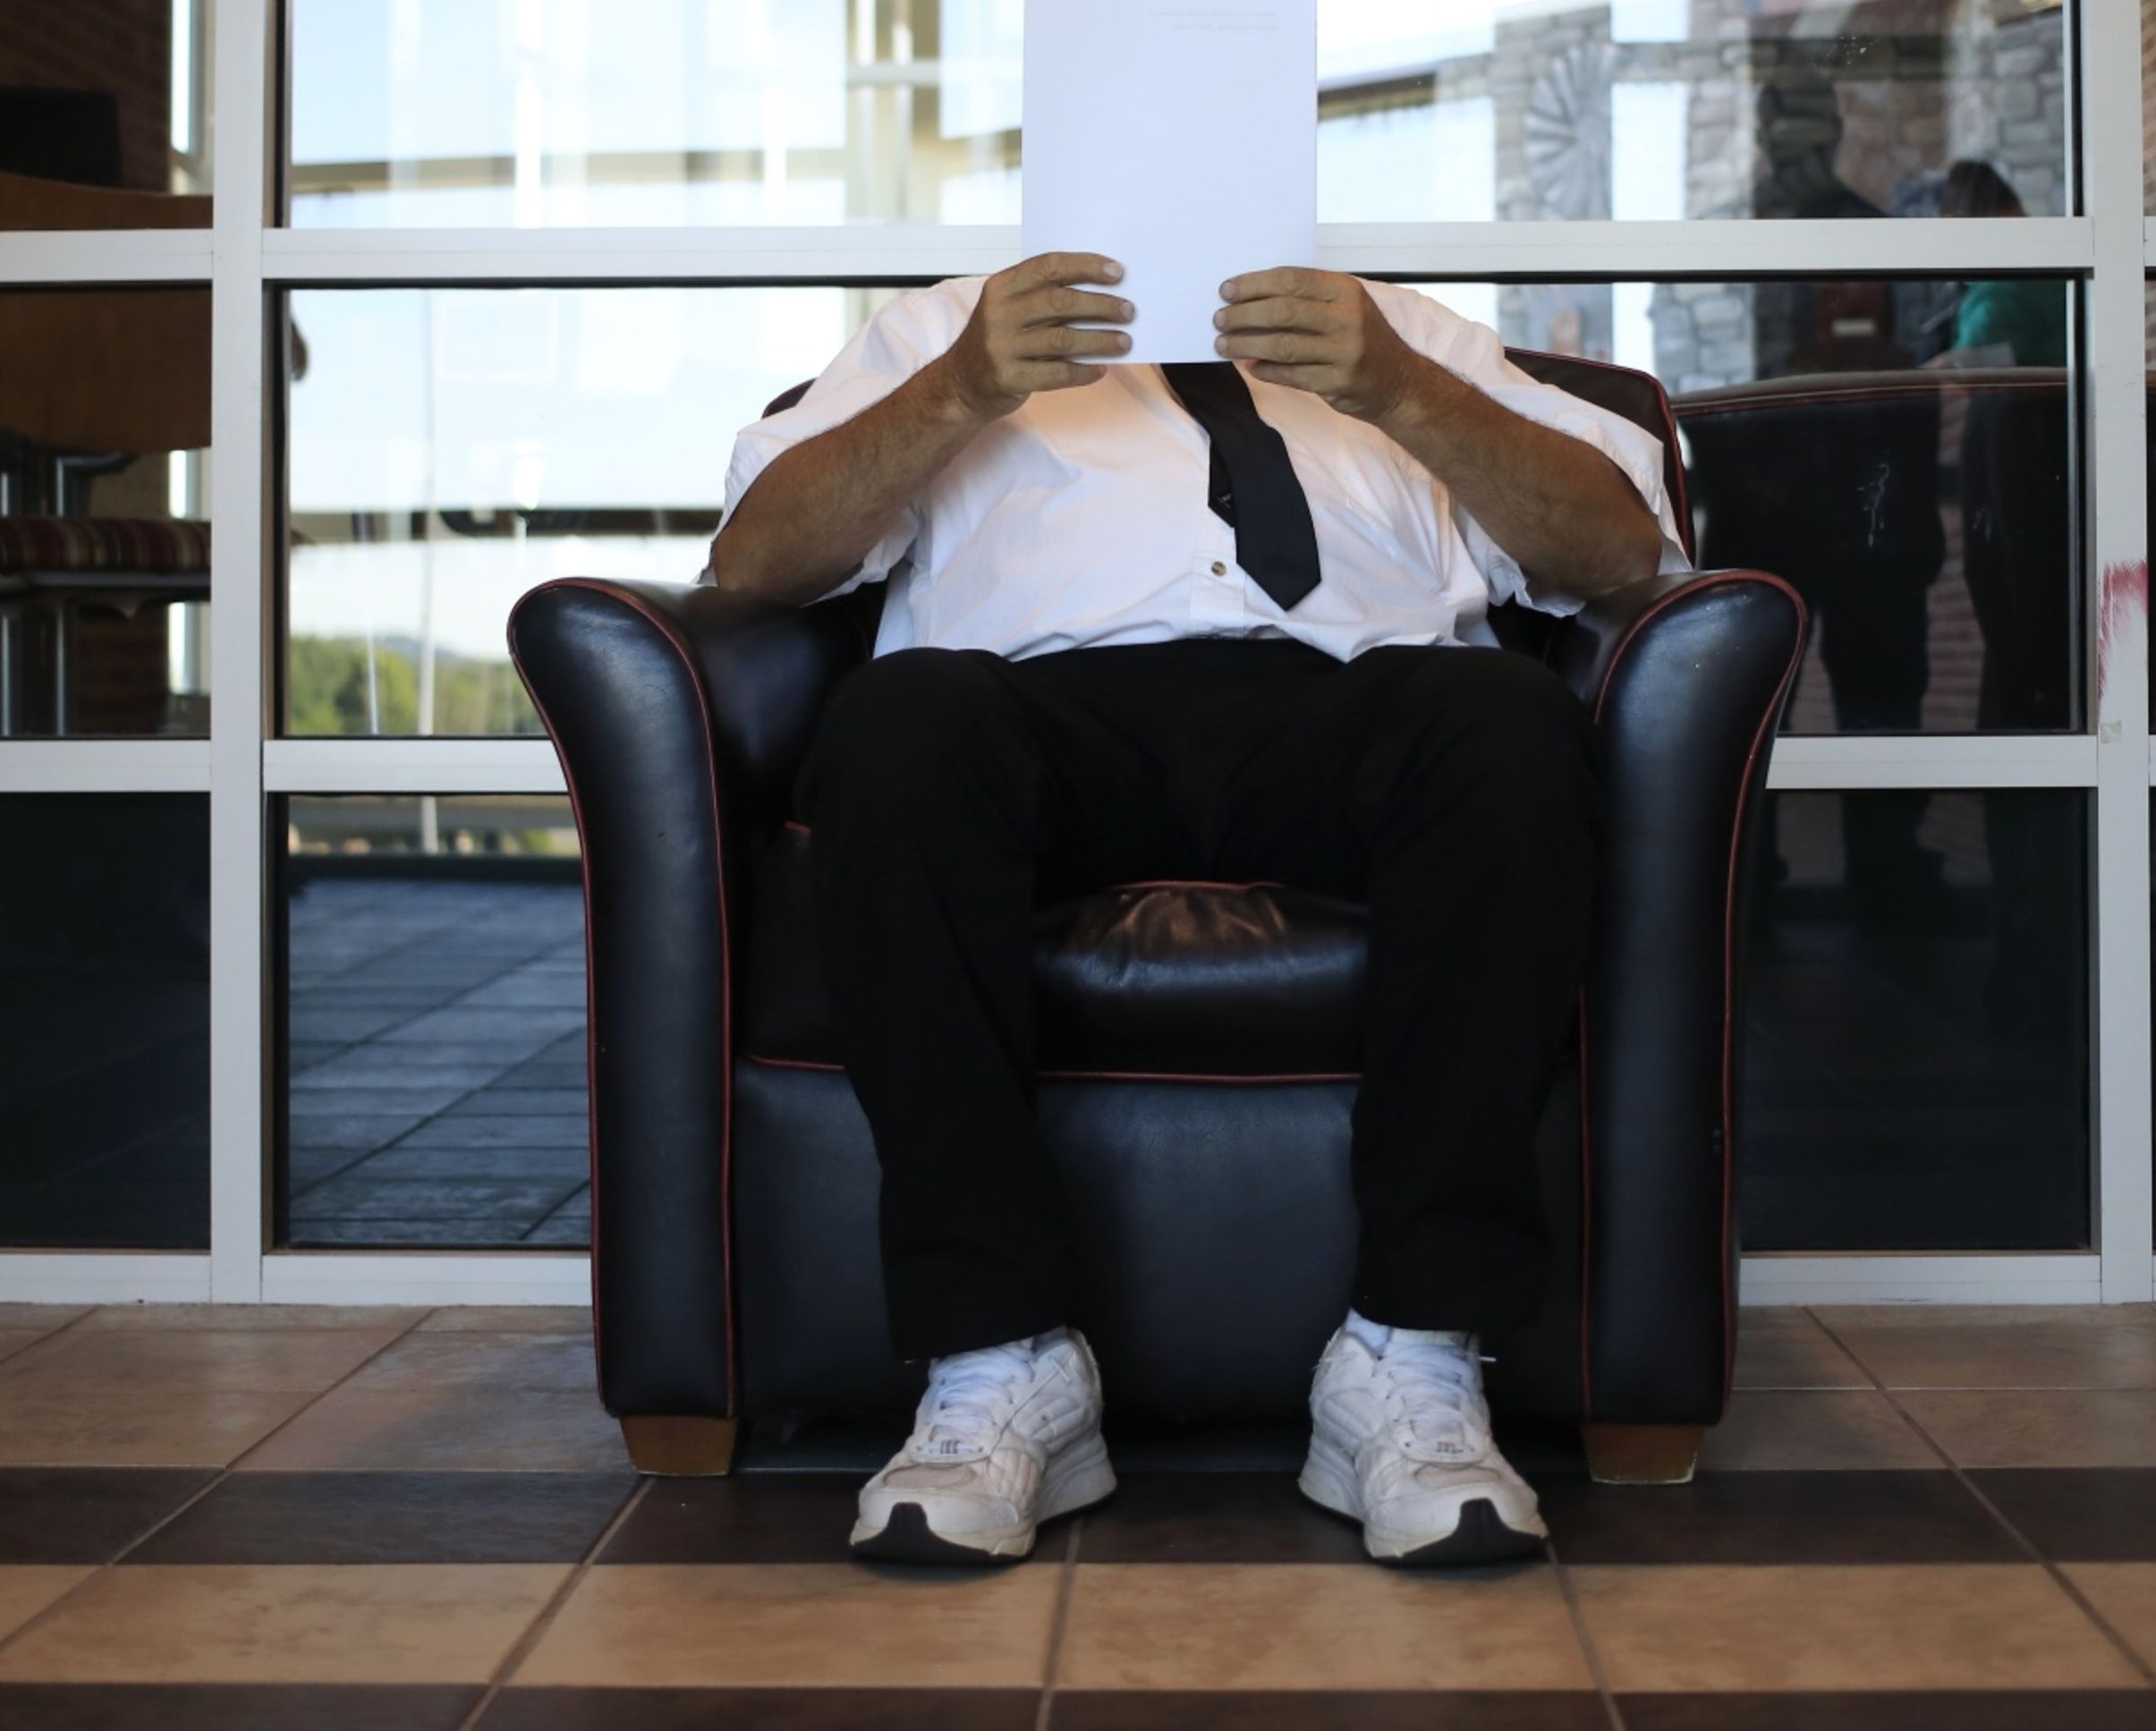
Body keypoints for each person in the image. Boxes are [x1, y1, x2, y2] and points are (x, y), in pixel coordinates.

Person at [708, 253, 1684, 1567]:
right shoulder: (949, 322)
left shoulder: (1397, 328)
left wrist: (1396, 388)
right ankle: (1001, 1363)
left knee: (1506, 718)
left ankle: (1412, 1356)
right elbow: (754, 568)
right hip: (1036, 717)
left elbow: (1621, 554)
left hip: (1352, 706)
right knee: (895, 724)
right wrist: (963, 386)